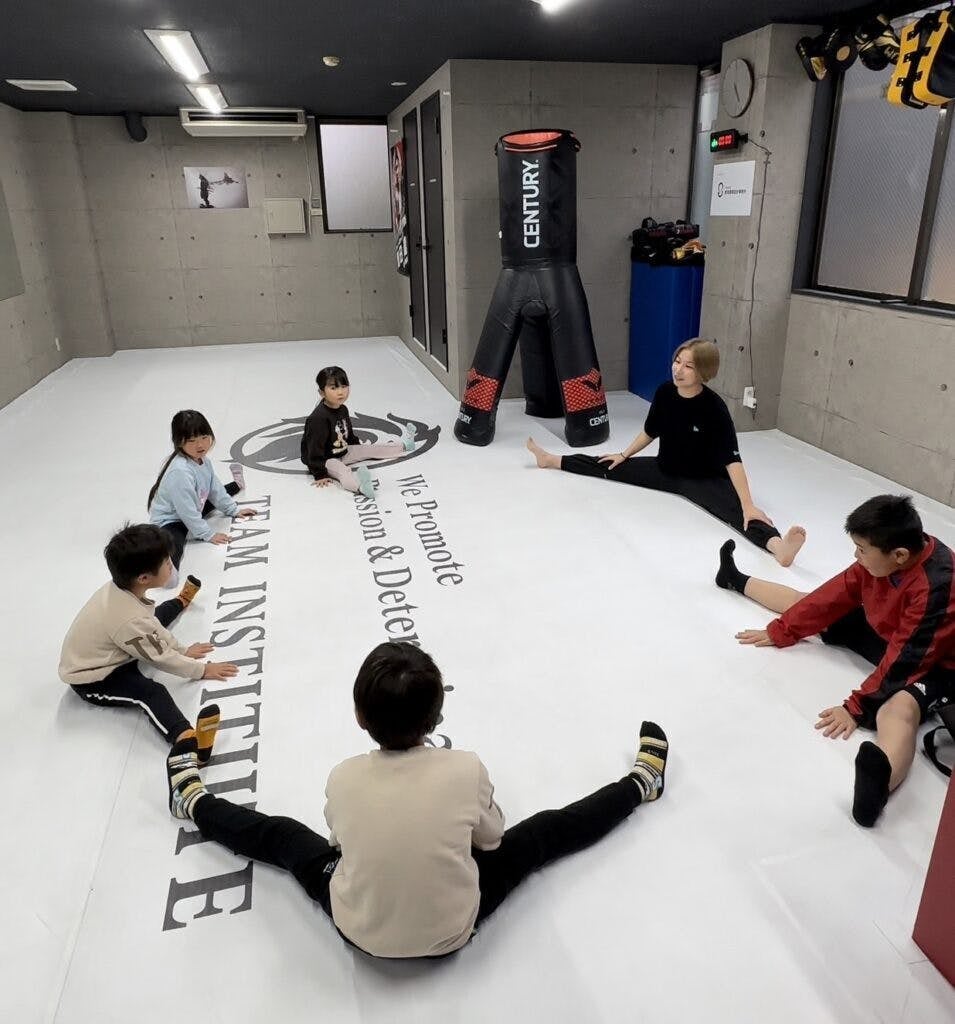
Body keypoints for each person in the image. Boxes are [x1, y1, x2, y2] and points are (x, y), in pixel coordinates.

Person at [165, 641, 669, 959]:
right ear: (435, 718)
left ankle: (191, 799)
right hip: (453, 931)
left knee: (281, 837)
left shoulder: (343, 777)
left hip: (358, 930)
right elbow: (492, 842)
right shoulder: (465, 768)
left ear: (359, 716)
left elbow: (339, 846)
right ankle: (642, 782)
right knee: (544, 833)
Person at [717, 494, 955, 826]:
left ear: (899, 555)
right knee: (812, 606)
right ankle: (733, 578)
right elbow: (831, 597)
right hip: (898, 634)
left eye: (861, 550)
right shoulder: (888, 556)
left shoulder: (938, 584)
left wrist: (856, 707)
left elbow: (908, 658)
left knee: (899, 708)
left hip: (940, 664)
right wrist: (783, 630)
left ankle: (878, 786)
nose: (856, 556)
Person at [527, 338, 806, 567]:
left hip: (702, 479)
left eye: (689, 366)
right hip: (665, 469)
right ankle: (551, 459)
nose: (679, 370)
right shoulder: (664, 393)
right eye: (677, 361)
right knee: (608, 465)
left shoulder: (714, 408)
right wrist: (624, 455)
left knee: (740, 514)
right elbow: (650, 431)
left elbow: (732, 460)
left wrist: (748, 503)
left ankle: (779, 547)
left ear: (704, 372)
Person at [59, 524, 238, 756]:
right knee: (151, 692)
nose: (171, 565)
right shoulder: (128, 620)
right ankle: (187, 741)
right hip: (96, 676)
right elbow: (160, 657)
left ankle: (180, 601)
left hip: (117, 646)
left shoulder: (124, 592)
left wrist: (182, 649)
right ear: (143, 578)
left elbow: (152, 626)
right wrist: (201, 670)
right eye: (167, 563)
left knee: (156, 618)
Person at [148, 410, 256, 571]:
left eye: (204, 437)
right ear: (179, 442)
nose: (200, 445)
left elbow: (215, 489)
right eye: (191, 440)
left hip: (195, 504)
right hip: (172, 520)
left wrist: (233, 510)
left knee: (219, 493)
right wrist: (208, 534)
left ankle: (237, 484)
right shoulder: (180, 472)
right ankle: (164, 574)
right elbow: (186, 511)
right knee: (174, 546)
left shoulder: (203, 461)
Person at [301, 366, 415, 499]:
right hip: (325, 459)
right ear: (322, 393)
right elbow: (313, 449)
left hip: (342, 451)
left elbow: (348, 433)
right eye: (333, 388)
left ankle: (404, 446)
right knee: (342, 471)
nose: (340, 392)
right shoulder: (318, 418)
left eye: (344, 386)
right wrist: (319, 473)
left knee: (370, 449)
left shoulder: (343, 409)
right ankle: (360, 487)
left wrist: (357, 446)